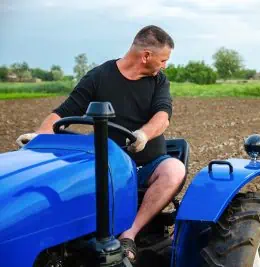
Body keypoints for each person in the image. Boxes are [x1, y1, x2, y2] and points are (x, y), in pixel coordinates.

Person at [16, 25, 186, 264]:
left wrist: (143, 135)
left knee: (174, 169)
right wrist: (39, 136)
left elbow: (162, 115)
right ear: (146, 56)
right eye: (163, 60)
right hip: (108, 165)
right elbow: (64, 112)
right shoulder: (99, 76)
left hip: (148, 165)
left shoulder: (159, 81)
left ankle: (130, 234)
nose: (164, 65)